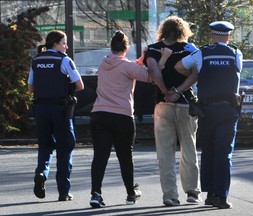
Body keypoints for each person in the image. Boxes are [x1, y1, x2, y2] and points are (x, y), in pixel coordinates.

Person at [89, 30, 171, 208]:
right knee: (125, 157)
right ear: (126, 48)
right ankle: (130, 194)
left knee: (100, 157)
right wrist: (162, 59)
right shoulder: (127, 67)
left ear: (111, 47)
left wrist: (141, 58)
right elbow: (151, 77)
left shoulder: (103, 63)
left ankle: (96, 194)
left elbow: (128, 67)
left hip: (99, 115)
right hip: (121, 116)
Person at [175, 21, 243, 209]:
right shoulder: (236, 53)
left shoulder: (201, 53)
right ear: (228, 36)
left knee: (209, 151)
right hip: (228, 110)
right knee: (224, 153)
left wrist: (197, 73)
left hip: (206, 111)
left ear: (212, 35)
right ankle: (221, 196)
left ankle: (210, 194)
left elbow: (179, 67)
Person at [144, 16, 201, 207]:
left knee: (165, 152)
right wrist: (177, 91)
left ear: (163, 30)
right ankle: (192, 192)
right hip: (185, 103)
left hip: (162, 104)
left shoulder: (152, 49)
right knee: (189, 148)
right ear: (182, 30)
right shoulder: (189, 49)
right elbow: (195, 74)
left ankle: (170, 196)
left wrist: (164, 91)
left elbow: (153, 71)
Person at [27, 30, 84, 201]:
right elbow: (79, 85)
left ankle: (41, 174)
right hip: (60, 109)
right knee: (65, 147)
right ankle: (63, 191)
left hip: (41, 109)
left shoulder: (36, 60)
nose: (66, 46)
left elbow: (30, 88)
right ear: (56, 43)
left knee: (45, 146)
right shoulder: (64, 60)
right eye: (65, 42)